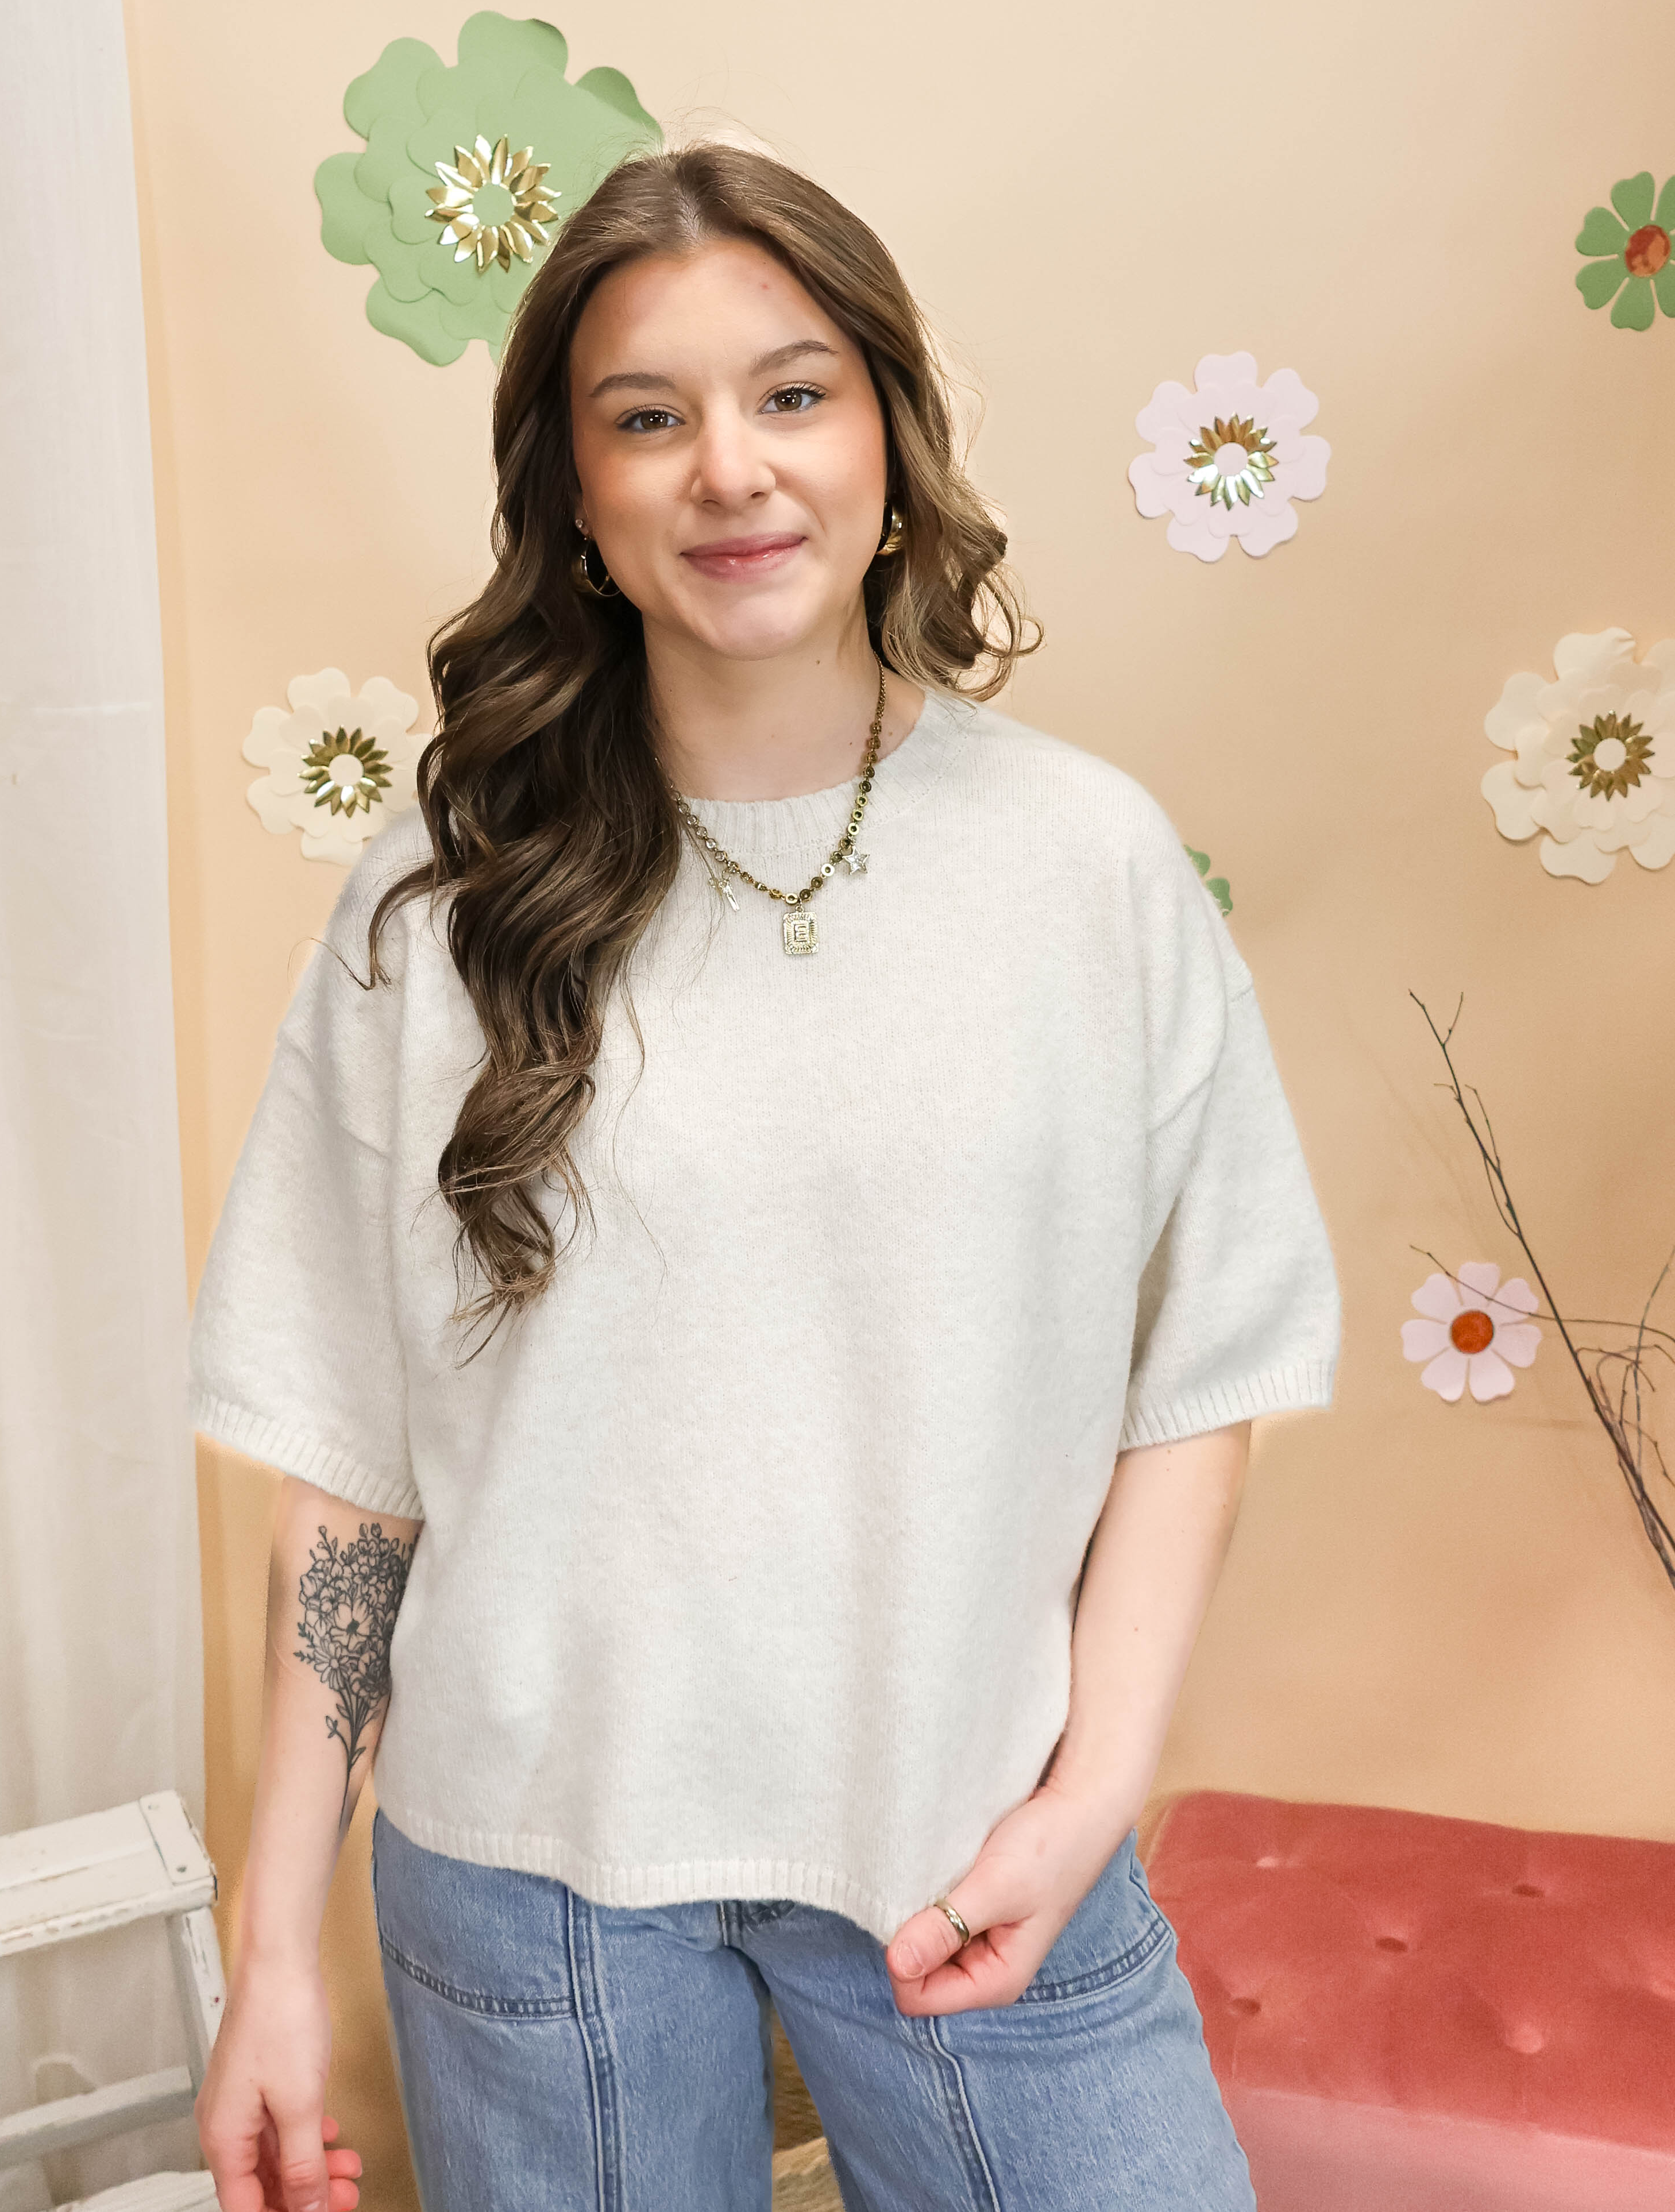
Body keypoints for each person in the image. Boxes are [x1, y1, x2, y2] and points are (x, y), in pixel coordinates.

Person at [188, 142, 1341, 2212]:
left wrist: (1091, 1795)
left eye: (792, 395)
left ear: (887, 435)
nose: (730, 469)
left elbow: (1201, 1378)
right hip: (531, 1881)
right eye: (648, 418)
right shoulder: (441, 902)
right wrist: (273, 1948)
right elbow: (349, 1464)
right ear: (575, 494)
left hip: (974, 1831)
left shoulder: (1083, 863)